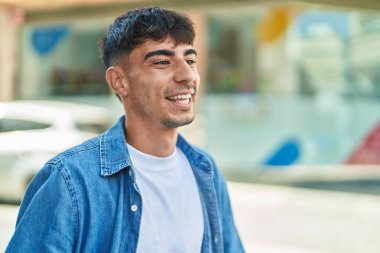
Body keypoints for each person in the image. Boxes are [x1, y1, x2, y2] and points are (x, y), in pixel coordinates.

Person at [6, 7, 245, 253]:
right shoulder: (69, 181)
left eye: (190, 60)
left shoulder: (205, 171)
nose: (187, 75)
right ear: (119, 81)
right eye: (162, 62)